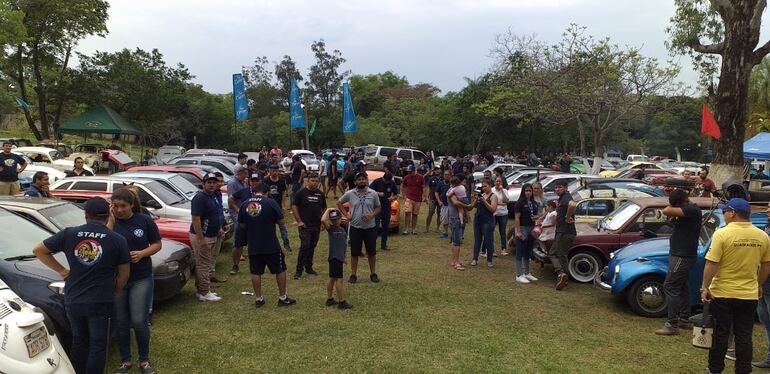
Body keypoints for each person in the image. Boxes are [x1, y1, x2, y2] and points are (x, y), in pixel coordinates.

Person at [32, 197, 130, 374]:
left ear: (86, 215)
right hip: (101, 300)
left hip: (74, 298)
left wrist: (63, 271)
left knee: (79, 341)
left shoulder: (69, 233)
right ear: (108, 215)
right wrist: (115, 290)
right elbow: (124, 273)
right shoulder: (117, 239)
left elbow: (39, 250)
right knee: (98, 345)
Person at [701, 198, 770, 374]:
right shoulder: (762, 235)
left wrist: (704, 286)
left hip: (722, 293)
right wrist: (759, 284)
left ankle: (715, 369)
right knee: (744, 334)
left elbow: (712, 263)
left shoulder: (722, 234)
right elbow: (766, 265)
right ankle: (743, 369)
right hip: (748, 294)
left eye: (725, 211)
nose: (724, 215)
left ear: (732, 213)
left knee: (721, 333)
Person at [110, 188, 162, 374]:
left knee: (139, 321)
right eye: (115, 206)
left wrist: (142, 253)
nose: (119, 210)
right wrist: (110, 220)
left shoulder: (144, 220)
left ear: (132, 204)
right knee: (121, 321)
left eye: (123, 206)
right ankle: (126, 361)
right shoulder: (111, 223)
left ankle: (144, 360)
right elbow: (104, 244)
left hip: (141, 277)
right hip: (117, 280)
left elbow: (157, 244)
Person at [235, 181, 297, 308]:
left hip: (253, 244)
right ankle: (282, 297)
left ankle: (258, 298)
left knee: (256, 272)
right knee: (279, 269)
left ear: (253, 191)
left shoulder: (245, 204)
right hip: (270, 243)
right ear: (267, 192)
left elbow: (241, 224)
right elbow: (281, 220)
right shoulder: (270, 202)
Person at [655, 189, 702, 336]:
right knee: (681, 286)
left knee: (670, 286)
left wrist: (672, 212)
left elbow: (666, 210)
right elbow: (672, 216)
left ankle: (672, 324)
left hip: (682, 255)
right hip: (680, 253)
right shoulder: (688, 211)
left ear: (680, 202)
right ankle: (684, 318)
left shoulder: (692, 210)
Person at [337, 172, 382, 283]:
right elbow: (339, 203)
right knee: (354, 252)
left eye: (363, 179)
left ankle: (373, 273)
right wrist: (346, 214)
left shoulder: (373, 193)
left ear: (366, 181)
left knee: (371, 252)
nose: (361, 181)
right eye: (359, 179)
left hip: (370, 228)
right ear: (355, 182)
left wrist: (372, 214)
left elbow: (378, 207)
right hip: (355, 227)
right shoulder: (350, 193)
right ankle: (353, 275)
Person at [189, 173, 223, 302]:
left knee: (204, 263)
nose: (212, 184)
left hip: (212, 234)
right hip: (203, 236)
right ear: (203, 184)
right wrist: (201, 238)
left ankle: (201, 289)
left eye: (214, 182)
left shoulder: (213, 195)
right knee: (204, 265)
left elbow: (214, 214)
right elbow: (196, 219)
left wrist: (219, 228)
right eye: (209, 182)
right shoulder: (199, 198)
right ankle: (204, 292)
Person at [292, 173, 327, 279]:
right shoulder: (301, 193)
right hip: (305, 225)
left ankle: (309, 267)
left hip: (316, 225)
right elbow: (294, 206)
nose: (315, 183)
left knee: (312, 246)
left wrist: (323, 222)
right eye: (313, 180)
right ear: (308, 181)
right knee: (305, 246)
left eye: (317, 181)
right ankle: (299, 270)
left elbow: (325, 209)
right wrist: (299, 221)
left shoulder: (320, 194)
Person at [322, 208, 352, 309]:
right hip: (334, 258)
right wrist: (328, 210)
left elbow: (342, 245)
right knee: (339, 279)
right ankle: (342, 302)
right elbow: (323, 220)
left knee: (332, 278)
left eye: (336, 219)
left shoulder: (342, 230)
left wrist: (344, 257)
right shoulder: (331, 229)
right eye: (332, 219)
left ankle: (330, 299)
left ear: (340, 219)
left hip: (339, 258)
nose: (335, 221)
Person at [228, 170, 256, 274]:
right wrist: (236, 209)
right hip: (243, 222)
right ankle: (235, 265)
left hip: (256, 223)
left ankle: (256, 264)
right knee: (238, 244)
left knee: (255, 244)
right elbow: (230, 199)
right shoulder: (244, 191)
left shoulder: (263, 191)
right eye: (253, 180)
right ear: (250, 181)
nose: (255, 182)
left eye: (257, 180)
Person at [550, 181, 576, 290]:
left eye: (560, 187)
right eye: (555, 187)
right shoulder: (562, 198)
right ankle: (564, 278)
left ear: (565, 188)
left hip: (565, 232)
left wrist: (567, 217)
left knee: (553, 253)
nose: (557, 189)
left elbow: (572, 205)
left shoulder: (566, 196)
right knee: (562, 254)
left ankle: (561, 274)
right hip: (562, 231)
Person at [513, 183, 539, 283]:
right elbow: (517, 218)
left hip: (531, 228)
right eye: (526, 191)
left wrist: (537, 217)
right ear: (523, 191)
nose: (528, 192)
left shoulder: (534, 202)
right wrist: (518, 230)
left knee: (528, 251)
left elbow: (536, 215)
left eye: (530, 191)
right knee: (520, 251)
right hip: (523, 228)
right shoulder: (519, 203)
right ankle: (519, 274)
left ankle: (527, 272)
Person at [447, 176, 474, 271]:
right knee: (457, 241)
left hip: (455, 218)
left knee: (455, 240)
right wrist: (467, 206)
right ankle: (456, 262)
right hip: (456, 219)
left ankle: (454, 260)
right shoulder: (453, 190)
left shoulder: (453, 190)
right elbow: (456, 203)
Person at [755, 202, 770, 369]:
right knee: (764, 318)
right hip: (763, 282)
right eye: (768, 207)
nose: (767, 210)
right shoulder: (766, 227)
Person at [264, 164, 292, 252]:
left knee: (282, 227)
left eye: (276, 171)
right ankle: (269, 244)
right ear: (269, 171)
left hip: (278, 207)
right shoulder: (266, 181)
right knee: (269, 227)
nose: (275, 173)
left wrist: (283, 205)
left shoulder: (281, 181)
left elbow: (283, 193)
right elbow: (263, 193)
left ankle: (286, 244)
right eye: (273, 171)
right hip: (268, 207)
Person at [471, 179, 498, 267]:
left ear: (490, 186)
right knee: (477, 240)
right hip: (478, 220)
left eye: (485, 186)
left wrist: (484, 201)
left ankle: (489, 260)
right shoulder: (482, 195)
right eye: (482, 186)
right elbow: (473, 206)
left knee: (488, 240)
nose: (484, 188)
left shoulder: (493, 196)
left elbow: (493, 209)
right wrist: (476, 199)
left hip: (487, 221)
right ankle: (475, 259)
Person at [369, 171, 398, 251]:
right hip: (376, 207)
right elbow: (368, 190)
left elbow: (396, 194)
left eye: (388, 181)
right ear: (383, 178)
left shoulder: (392, 183)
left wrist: (392, 198)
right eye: (386, 181)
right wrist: (378, 193)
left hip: (386, 207)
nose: (387, 183)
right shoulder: (377, 182)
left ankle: (384, 245)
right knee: (375, 226)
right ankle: (372, 245)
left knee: (385, 226)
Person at [401, 165, 425, 235]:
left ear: (414, 171)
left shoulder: (420, 177)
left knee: (415, 214)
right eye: (408, 172)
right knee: (407, 212)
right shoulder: (406, 177)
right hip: (409, 197)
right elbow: (403, 186)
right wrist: (404, 195)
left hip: (418, 198)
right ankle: (406, 229)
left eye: (410, 172)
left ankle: (413, 229)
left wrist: (424, 196)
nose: (409, 173)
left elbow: (423, 187)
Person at [492, 176, 510, 256]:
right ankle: (491, 249)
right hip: (494, 213)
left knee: (502, 231)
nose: (498, 183)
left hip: (503, 214)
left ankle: (503, 249)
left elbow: (506, 201)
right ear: (494, 182)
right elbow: (491, 201)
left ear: (502, 183)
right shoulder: (492, 190)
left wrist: (502, 190)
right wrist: (500, 203)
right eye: (496, 181)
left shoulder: (505, 191)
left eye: (499, 181)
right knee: (491, 231)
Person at [425, 167, 442, 233]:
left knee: (439, 214)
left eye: (438, 169)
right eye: (435, 170)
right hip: (432, 198)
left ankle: (437, 228)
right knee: (430, 212)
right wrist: (427, 196)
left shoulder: (442, 179)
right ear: (434, 171)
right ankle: (427, 228)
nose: (437, 171)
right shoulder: (431, 179)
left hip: (440, 199)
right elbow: (428, 188)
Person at [436, 170, 452, 238]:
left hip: (452, 205)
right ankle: (445, 232)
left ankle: (454, 233)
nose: (446, 176)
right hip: (443, 204)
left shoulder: (452, 184)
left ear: (450, 175)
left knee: (452, 220)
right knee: (444, 219)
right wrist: (439, 201)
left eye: (448, 174)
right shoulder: (440, 183)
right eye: (445, 174)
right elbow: (436, 192)